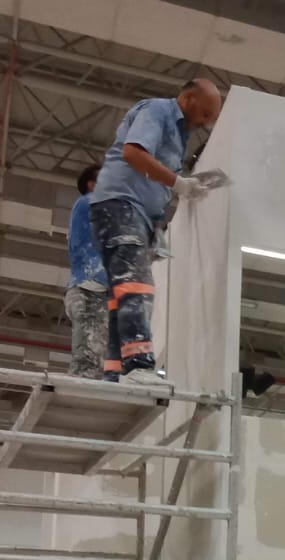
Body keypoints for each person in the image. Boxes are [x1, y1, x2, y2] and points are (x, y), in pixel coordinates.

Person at [90, 79, 223, 384]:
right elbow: (133, 153)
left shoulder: (179, 135)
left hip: (133, 212)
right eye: (204, 114)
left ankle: (116, 372)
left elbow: (155, 179)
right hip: (122, 205)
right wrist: (178, 184)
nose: (205, 123)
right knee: (135, 286)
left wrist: (159, 224)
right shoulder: (158, 111)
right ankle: (138, 365)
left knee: (122, 293)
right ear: (188, 99)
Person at [65, 164, 109, 379]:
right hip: (89, 290)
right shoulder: (89, 202)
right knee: (87, 362)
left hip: (94, 289)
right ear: (92, 185)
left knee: (95, 358)